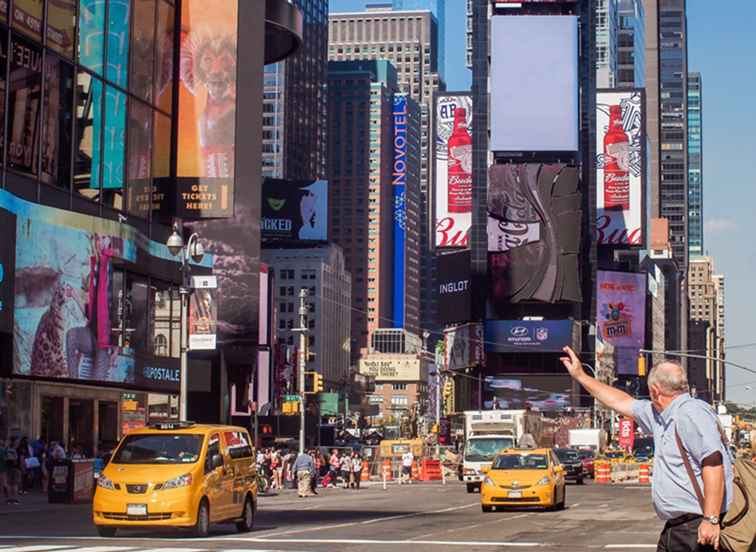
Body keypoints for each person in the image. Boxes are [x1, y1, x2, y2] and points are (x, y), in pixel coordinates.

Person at [560, 346, 733, 552]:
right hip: (680, 528)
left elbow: (713, 464)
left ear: (655, 391)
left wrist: (711, 520)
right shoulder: (660, 414)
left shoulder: (691, 414)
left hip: (698, 527)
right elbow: (621, 401)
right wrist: (581, 375)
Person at [5, 437, 21, 504]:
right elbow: (16, 460)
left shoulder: (7, 449)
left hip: (8, 468)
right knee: (15, 484)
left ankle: (9, 499)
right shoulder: (15, 450)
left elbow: (5, 458)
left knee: (9, 483)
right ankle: (15, 499)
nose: (18, 442)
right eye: (17, 441)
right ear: (14, 442)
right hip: (15, 468)